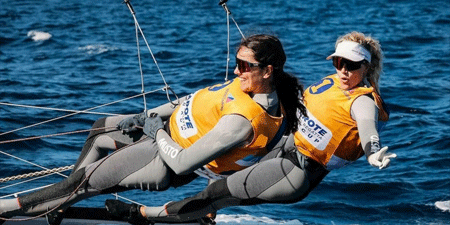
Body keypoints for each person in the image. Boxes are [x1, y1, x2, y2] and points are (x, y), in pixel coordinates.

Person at [0, 34, 306, 225]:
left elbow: (182, 162)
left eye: (244, 66)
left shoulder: (243, 121)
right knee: (100, 129)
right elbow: (191, 101)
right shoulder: (245, 85)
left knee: (80, 185)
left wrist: (154, 129)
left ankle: (39, 202)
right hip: (159, 134)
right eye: (237, 63)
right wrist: (144, 115)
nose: (237, 71)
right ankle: (59, 203)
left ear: (267, 71)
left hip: (162, 158)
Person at [105, 31, 397, 224]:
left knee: (210, 196)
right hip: (283, 155)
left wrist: (372, 152)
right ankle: (195, 218)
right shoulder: (334, 83)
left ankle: (139, 214)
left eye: (353, 66)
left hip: (295, 171)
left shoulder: (364, 101)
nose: (344, 71)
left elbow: (367, 126)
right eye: (339, 62)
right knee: (219, 176)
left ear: (367, 69)